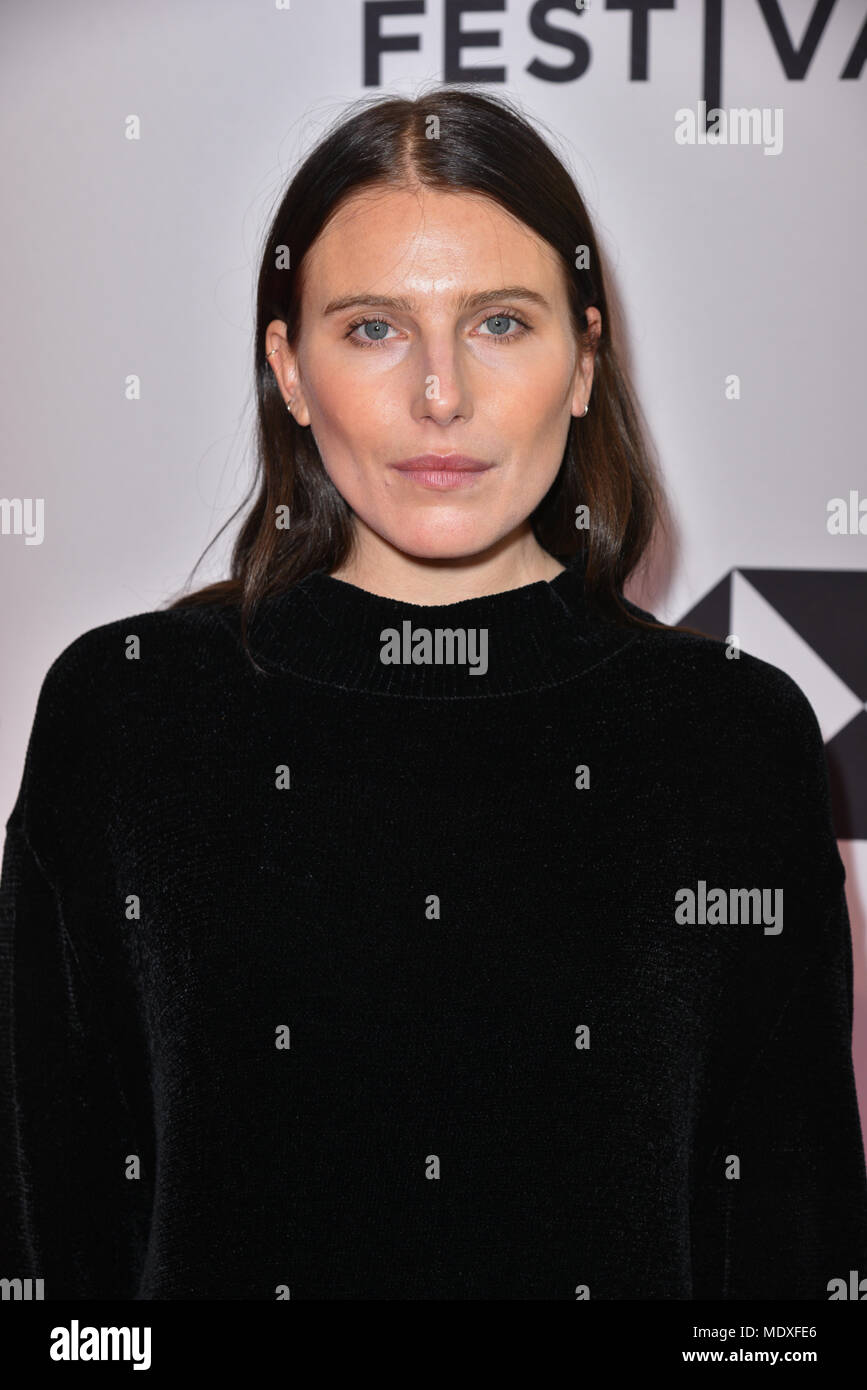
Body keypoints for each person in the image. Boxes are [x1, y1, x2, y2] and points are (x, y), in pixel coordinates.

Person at [2, 85, 866, 1301]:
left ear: (585, 360)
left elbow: (790, 1252)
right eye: (372, 329)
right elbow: (48, 1231)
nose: (441, 395)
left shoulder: (731, 739)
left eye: (502, 323)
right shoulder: (127, 715)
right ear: (288, 371)